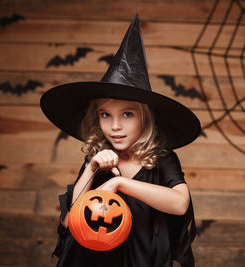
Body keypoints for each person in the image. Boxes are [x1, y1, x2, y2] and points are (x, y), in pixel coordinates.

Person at [40, 14, 201, 267]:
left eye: (127, 114)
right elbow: (70, 221)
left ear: (145, 118)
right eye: (105, 115)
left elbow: (180, 204)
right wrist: (91, 169)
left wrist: (119, 183)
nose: (115, 126)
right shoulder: (97, 159)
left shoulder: (161, 159)